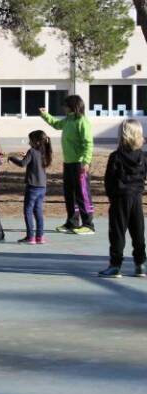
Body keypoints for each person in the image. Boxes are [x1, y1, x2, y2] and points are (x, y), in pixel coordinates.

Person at [40, 95, 95, 234]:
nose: (63, 108)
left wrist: (86, 161)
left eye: (65, 105)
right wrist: (45, 115)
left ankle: (88, 225)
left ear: (72, 106)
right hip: (68, 163)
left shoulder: (82, 121)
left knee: (82, 194)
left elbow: (88, 143)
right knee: (69, 194)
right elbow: (56, 124)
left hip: (80, 164)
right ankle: (72, 223)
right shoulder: (68, 120)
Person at [99, 119, 147, 279]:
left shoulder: (116, 157)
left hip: (120, 198)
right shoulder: (143, 156)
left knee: (117, 233)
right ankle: (140, 264)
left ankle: (115, 266)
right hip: (136, 198)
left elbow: (108, 180)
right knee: (138, 231)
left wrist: (112, 196)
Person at [9, 130, 52, 245]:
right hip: (42, 187)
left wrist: (12, 158)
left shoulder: (32, 151)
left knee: (28, 211)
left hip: (32, 186)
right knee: (38, 211)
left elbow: (22, 164)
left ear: (36, 142)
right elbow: (33, 160)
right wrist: (27, 156)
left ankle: (30, 237)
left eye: (30, 140)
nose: (29, 143)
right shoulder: (44, 152)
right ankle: (40, 237)